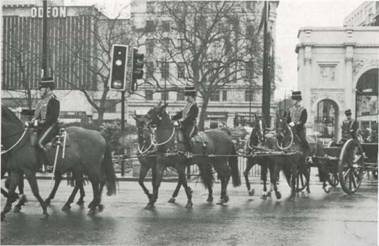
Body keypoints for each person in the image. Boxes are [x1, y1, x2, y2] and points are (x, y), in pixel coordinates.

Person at [31, 77, 60, 166]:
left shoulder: (54, 101)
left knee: (40, 142)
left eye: (41, 89)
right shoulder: (41, 102)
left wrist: (41, 122)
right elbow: (37, 114)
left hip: (51, 126)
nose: (40, 91)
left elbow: (53, 117)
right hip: (41, 126)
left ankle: (48, 163)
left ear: (47, 89)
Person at [171, 86, 199, 157]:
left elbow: (191, 117)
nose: (187, 98)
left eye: (188, 97)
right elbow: (181, 113)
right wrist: (173, 118)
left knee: (187, 136)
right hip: (183, 125)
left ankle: (190, 152)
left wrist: (182, 121)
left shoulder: (195, 106)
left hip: (190, 125)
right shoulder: (187, 105)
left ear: (192, 97)